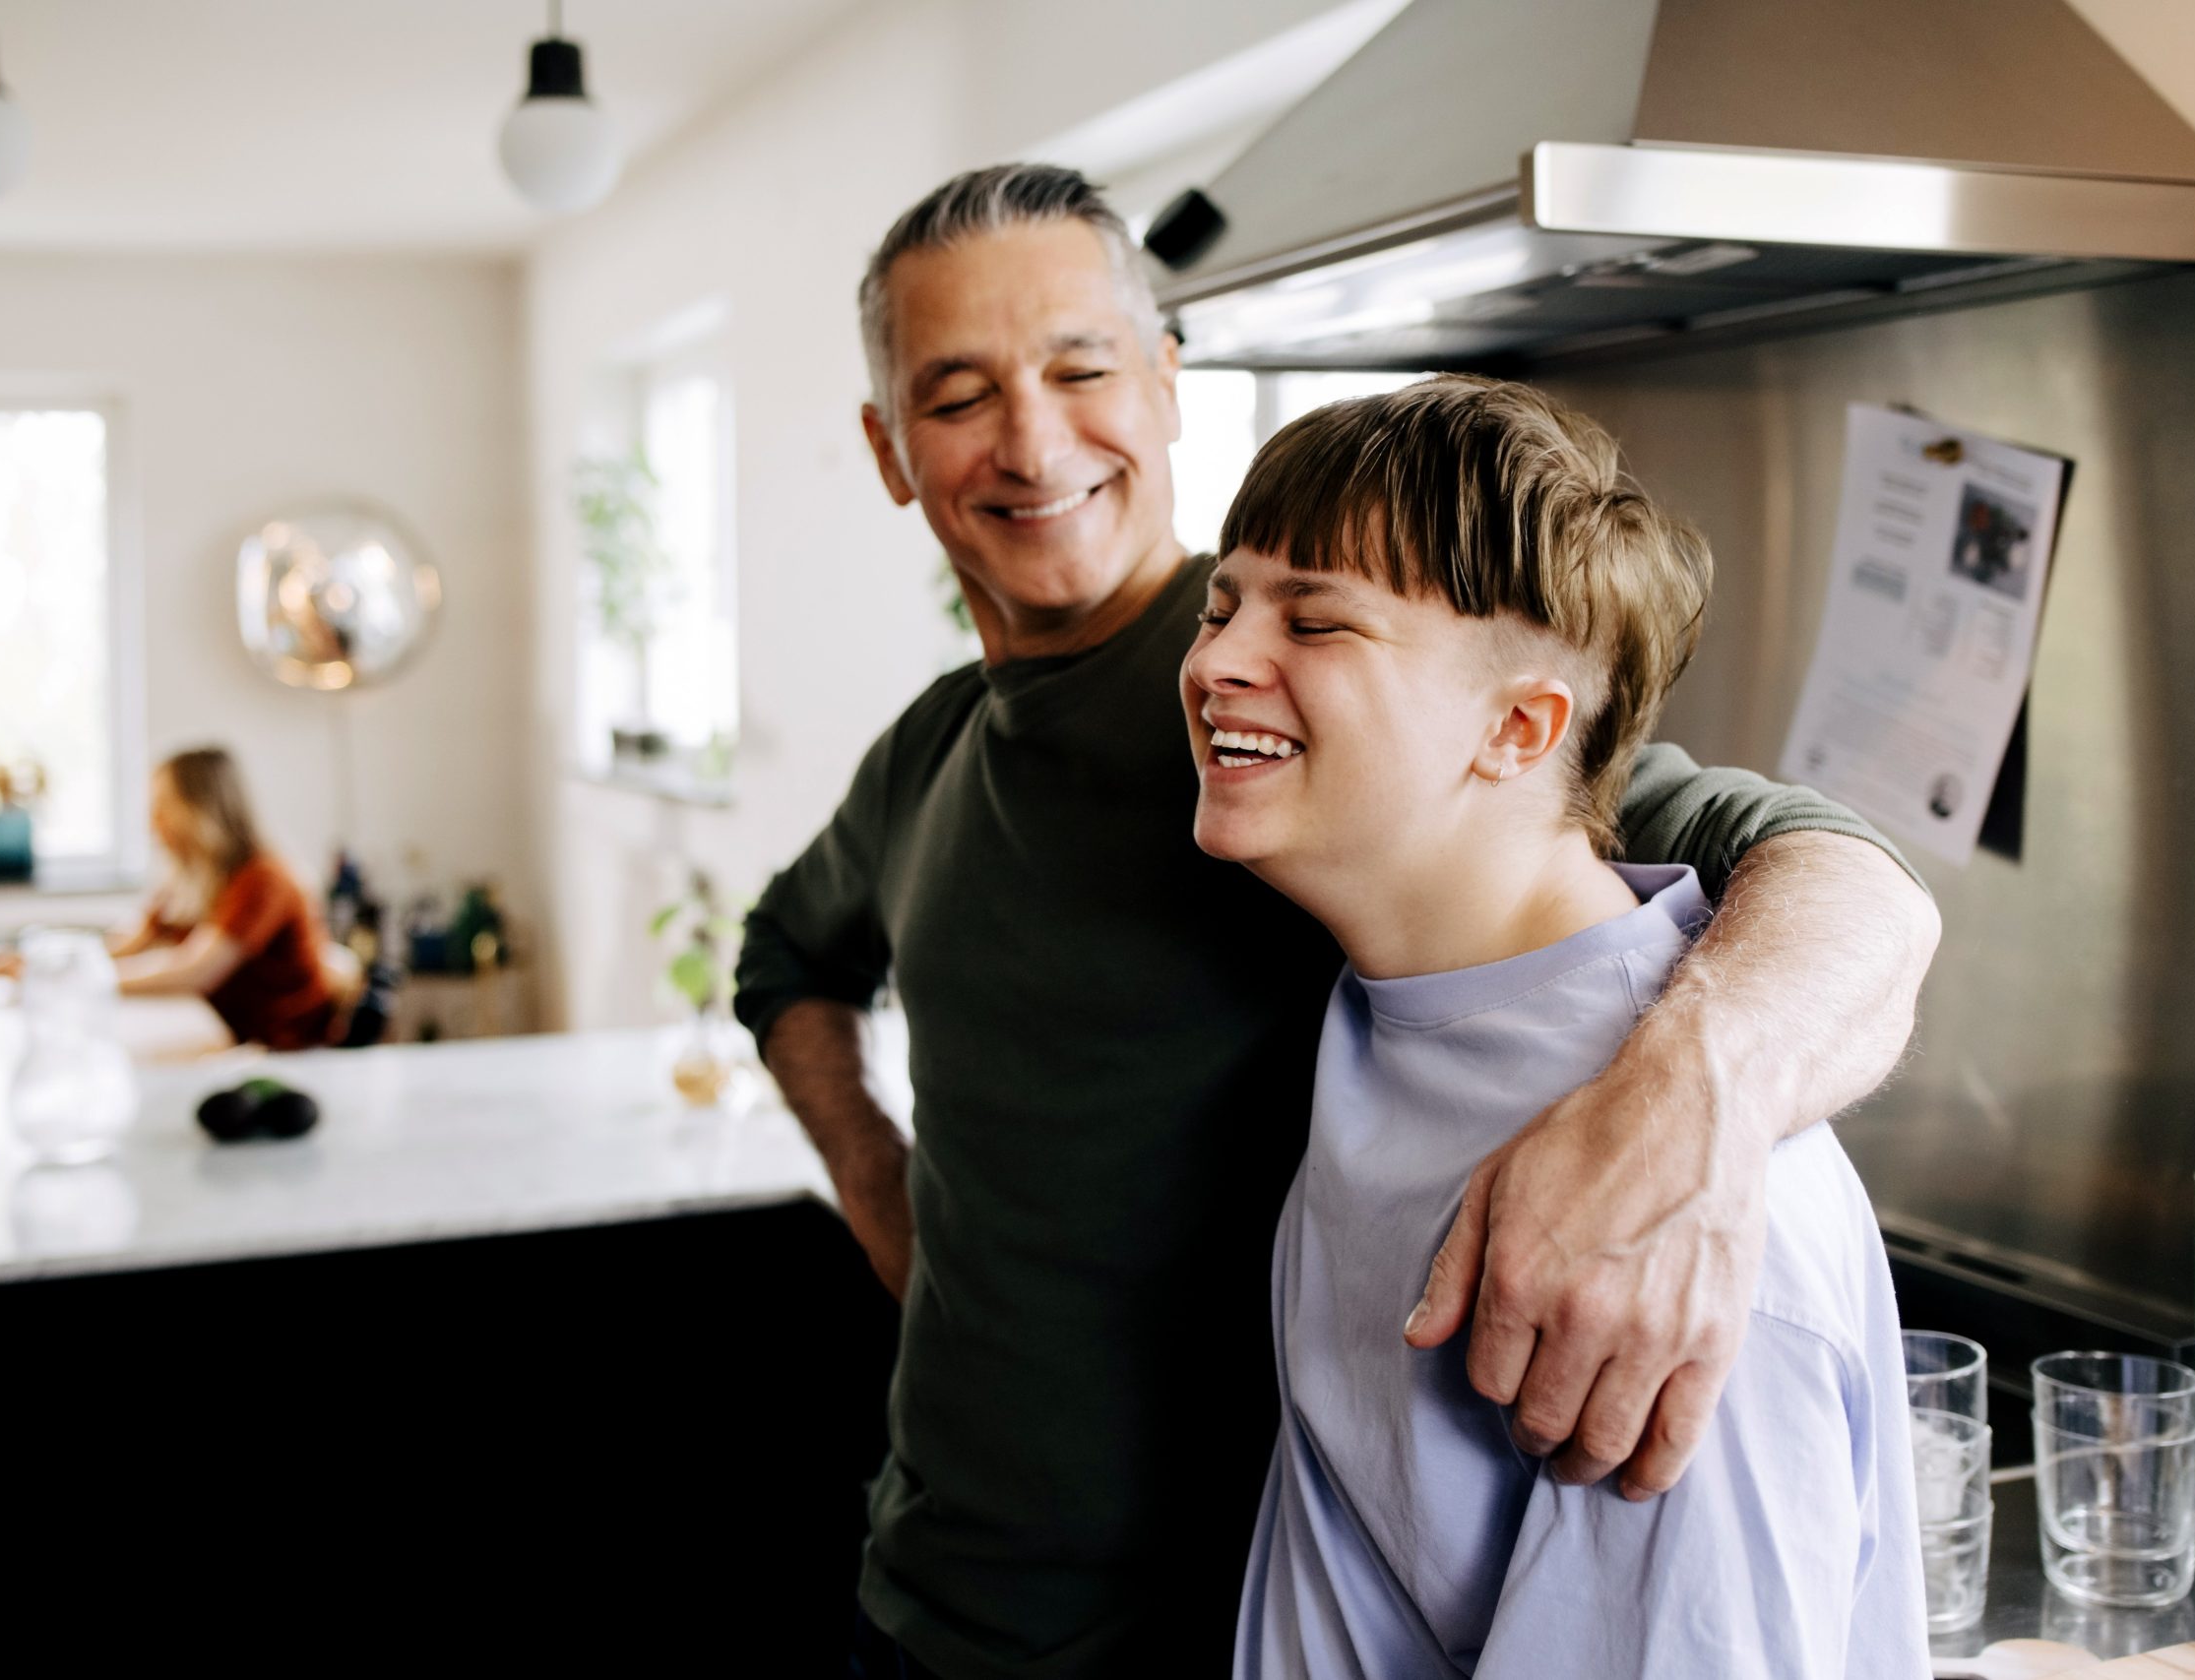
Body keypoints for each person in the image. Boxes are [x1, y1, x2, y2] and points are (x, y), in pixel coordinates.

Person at [735, 164, 1939, 1678]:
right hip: (925, 1604)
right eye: (960, 392)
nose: (1033, 438)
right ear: (892, 449)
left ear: (1168, 384)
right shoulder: (939, 749)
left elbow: (1839, 873)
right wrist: (890, 1196)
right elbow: (789, 955)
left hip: (1202, 1635)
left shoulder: (1342, 719)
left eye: (1082, 367)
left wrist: (1692, 1101)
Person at [1193, 377, 1925, 1677]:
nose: (1215, 663)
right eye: (1223, 604)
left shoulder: (1675, 1235)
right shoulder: (1403, 1000)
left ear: (1520, 726)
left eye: (1316, 619)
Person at [106, 747, 337, 1050]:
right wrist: (51, 965)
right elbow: (132, 943)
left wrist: (89, 983)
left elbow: (195, 971)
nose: (152, 825)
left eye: (163, 808)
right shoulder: (191, 878)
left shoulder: (264, 879)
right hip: (231, 1035)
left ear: (200, 809)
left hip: (284, 1049)